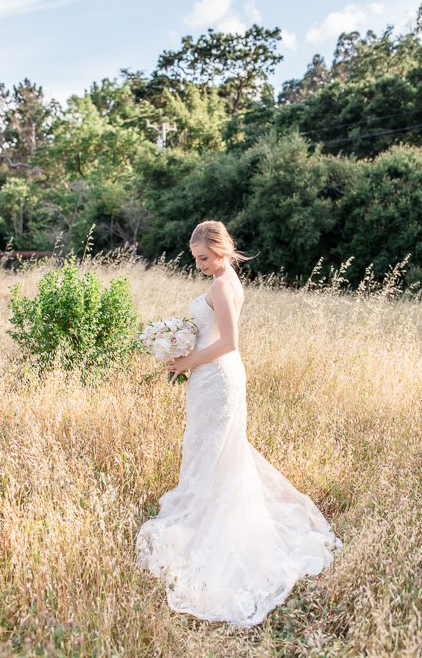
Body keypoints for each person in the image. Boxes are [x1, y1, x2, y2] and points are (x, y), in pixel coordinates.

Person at [136, 220, 341, 626]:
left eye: (205, 258)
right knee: (212, 449)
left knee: (215, 448)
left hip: (218, 377)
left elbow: (230, 342)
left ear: (223, 250)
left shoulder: (221, 284)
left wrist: (185, 361)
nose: (200, 265)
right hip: (212, 376)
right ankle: (205, 508)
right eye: (196, 259)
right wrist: (183, 343)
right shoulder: (227, 278)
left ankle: (215, 525)